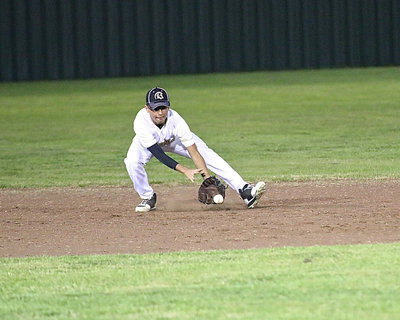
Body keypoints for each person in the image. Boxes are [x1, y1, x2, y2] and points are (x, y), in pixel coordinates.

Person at [124, 87, 266, 212]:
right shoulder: (141, 122)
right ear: (147, 108)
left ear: (168, 107)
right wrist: (185, 170)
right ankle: (148, 197)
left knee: (207, 154)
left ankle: (245, 191)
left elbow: (194, 152)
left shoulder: (176, 120)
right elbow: (158, 154)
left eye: (163, 108)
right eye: (156, 109)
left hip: (175, 141)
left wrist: (207, 179)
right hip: (149, 144)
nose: (160, 113)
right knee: (132, 162)